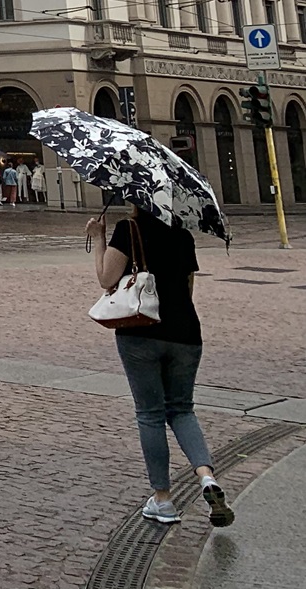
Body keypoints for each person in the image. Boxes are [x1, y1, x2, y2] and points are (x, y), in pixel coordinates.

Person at [88, 206, 234, 528]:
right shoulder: (183, 236)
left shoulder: (129, 229)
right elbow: (188, 289)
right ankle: (206, 476)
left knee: (150, 414)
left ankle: (163, 499)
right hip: (186, 335)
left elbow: (106, 279)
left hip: (141, 333)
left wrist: (98, 238)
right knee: (182, 409)